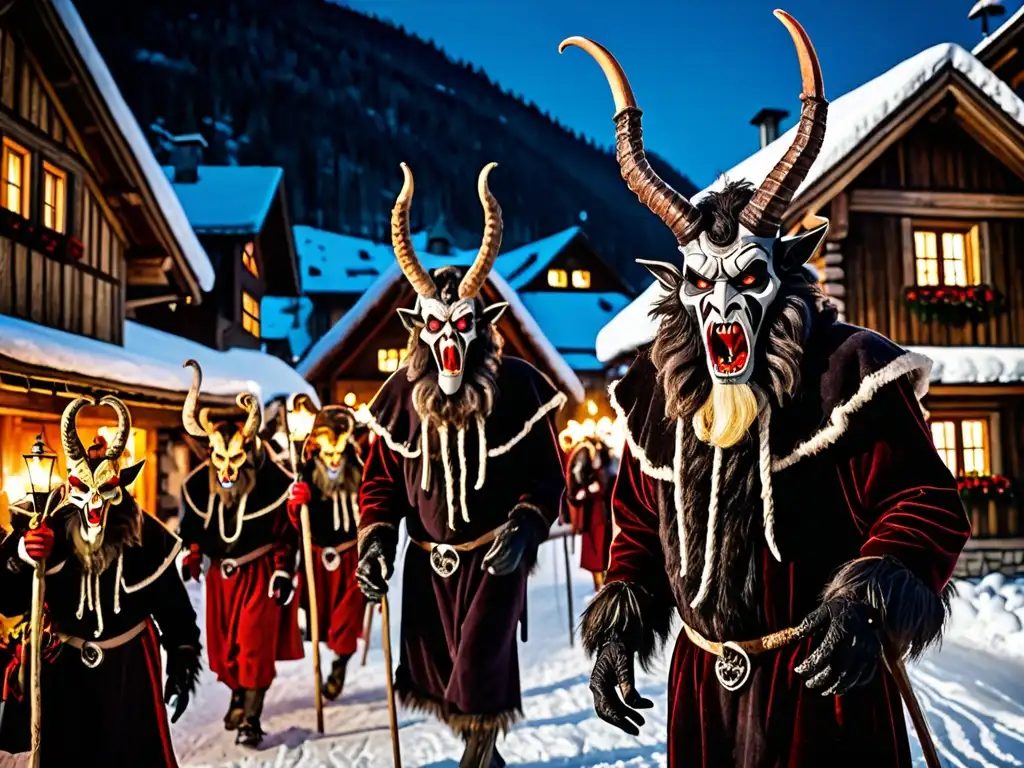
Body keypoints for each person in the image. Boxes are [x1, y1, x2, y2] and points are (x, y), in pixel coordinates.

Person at [561, 12, 972, 767]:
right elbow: (637, 526)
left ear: (782, 278)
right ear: (677, 290)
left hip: (820, 691)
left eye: (745, 279)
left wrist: (865, 602)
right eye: (699, 283)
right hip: (703, 696)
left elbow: (924, 503)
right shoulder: (658, 395)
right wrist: (621, 622)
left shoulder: (845, 372)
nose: (721, 303)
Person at [355, 162, 566, 768]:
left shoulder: (517, 388)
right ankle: (482, 749)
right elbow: (381, 485)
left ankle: (480, 754)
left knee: (478, 665)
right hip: (428, 564)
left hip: (494, 558)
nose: (449, 342)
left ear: (482, 327)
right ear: (418, 331)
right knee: (442, 666)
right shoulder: (400, 397)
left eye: (463, 327)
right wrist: (374, 543)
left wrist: (527, 525)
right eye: (435, 328)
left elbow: (545, 475)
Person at [0, 397, 200, 766]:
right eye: (84, 490)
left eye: (104, 491)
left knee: (131, 753)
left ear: (120, 486)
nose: (94, 505)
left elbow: (173, 607)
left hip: (130, 670)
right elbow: (6, 598)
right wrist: (25, 556)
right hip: (63, 669)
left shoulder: (146, 536)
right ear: (70, 487)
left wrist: (183, 659)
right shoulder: (46, 525)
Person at [177, 361, 303, 748]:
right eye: (219, 461)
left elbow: (286, 535)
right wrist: (193, 552)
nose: (227, 471)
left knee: (253, 645)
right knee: (225, 647)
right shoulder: (200, 486)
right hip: (221, 579)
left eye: (234, 460)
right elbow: (193, 528)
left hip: (258, 575)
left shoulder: (271, 485)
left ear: (247, 455)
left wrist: (283, 571)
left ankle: (252, 717)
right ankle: (236, 698)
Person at [286, 403, 366, 700]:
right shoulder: (305, 473)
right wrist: (296, 504)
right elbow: (296, 522)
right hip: (318, 558)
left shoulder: (359, 470)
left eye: (338, 451)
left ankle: (340, 663)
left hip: (351, 556)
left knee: (347, 618)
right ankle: (332, 657)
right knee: (324, 620)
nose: (333, 460)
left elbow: (373, 508)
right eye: (327, 452)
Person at [563, 437, 613, 591]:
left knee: (602, 544)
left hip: (598, 509)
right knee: (596, 546)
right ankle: (600, 585)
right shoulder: (584, 450)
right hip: (592, 511)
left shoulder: (594, 451)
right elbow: (577, 476)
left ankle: (604, 582)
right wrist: (587, 488)